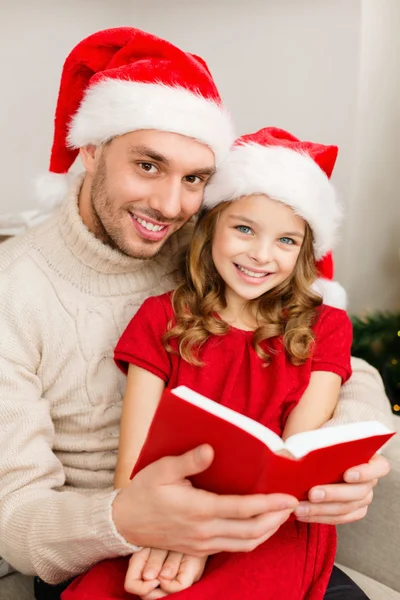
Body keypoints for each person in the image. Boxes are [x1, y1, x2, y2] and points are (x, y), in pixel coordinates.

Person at [0, 26, 391, 600]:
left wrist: (342, 451)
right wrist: (134, 522)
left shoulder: (211, 252)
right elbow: (17, 517)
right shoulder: (14, 291)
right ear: (89, 149)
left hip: (256, 524)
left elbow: (338, 360)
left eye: (194, 180)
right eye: (148, 166)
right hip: (110, 547)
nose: (169, 206)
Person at [60, 127, 355, 600]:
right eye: (244, 229)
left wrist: (203, 545)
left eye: (286, 240)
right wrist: (171, 540)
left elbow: (291, 470)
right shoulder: (161, 316)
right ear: (210, 227)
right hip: (164, 516)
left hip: (268, 525)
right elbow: (131, 474)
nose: (261, 255)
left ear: (304, 251)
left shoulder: (327, 327)